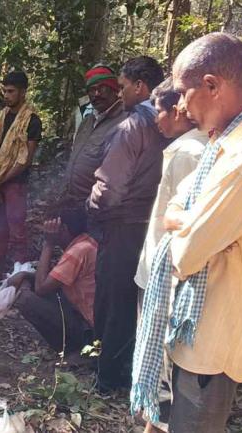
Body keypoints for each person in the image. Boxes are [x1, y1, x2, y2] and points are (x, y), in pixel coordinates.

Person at [131, 33, 242, 433]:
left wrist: (181, 221)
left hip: (213, 337)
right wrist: (186, 218)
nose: (181, 105)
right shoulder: (225, 144)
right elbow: (179, 206)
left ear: (212, 86)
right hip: (192, 323)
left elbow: (185, 253)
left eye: (183, 92)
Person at [88, 56, 167, 391]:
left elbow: (110, 188)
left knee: (114, 298)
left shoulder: (133, 127)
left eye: (122, 87)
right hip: (152, 224)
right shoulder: (172, 125)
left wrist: (92, 206)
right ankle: (131, 367)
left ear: (140, 86)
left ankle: (107, 374)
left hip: (123, 224)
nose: (120, 94)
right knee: (139, 297)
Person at [133, 78, 208, 433]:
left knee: (161, 357)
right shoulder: (194, 146)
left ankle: (157, 424)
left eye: (159, 111)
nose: (155, 120)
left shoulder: (188, 152)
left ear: (178, 110)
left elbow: (182, 220)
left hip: (167, 273)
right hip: (169, 269)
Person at [7, 211, 97, 358]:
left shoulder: (79, 251)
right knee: (30, 284)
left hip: (91, 332)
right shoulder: (87, 242)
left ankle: (74, 351)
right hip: (89, 321)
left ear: (63, 229)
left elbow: (41, 288)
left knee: (25, 299)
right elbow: (54, 280)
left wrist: (48, 244)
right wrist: (25, 275)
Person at [0, 71, 42, 284]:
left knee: (17, 231)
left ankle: (20, 277)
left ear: (23, 92)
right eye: (5, 91)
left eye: (11, 91)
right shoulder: (2, 117)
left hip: (15, 183)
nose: (7, 95)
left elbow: (24, 160)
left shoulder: (31, 120)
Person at [57, 65, 128, 214]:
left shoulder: (124, 122)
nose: (96, 94)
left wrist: (92, 206)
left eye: (102, 88)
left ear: (114, 89)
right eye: (92, 89)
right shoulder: (87, 121)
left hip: (98, 211)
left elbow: (116, 178)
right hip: (72, 205)